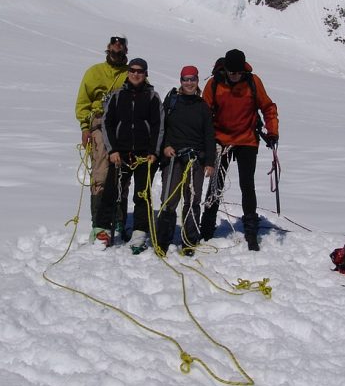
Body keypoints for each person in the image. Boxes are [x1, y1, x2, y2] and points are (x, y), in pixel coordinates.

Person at [200, 49, 278, 251]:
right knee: (215, 186)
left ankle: (251, 231)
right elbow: (203, 112)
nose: (234, 76)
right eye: (231, 72)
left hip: (247, 139)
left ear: (243, 69)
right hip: (221, 140)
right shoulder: (214, 83)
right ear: (225, 69)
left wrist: (272, 132)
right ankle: (206, 229)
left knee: (247, 184)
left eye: (238, 72)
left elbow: (268, 107)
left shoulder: (253, 82)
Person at [95, 58, 164, 248]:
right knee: (111, 192)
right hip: (120, 154)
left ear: (145, 74)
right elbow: (107, 124)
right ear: (128, 72)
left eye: (140, 71)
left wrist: (153, 151)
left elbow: (158, 126)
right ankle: (101, 230)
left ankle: (139, 232)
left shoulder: (152, 97)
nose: (136, 74)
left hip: (144, 155)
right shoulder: (117, 96)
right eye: (132, 70)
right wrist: (113, 150)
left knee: (142, 194)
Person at [155, 66, 216, 256]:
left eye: (192, 79)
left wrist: (210, 162)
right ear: (180, 81)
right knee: (169, 199)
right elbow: (161, 127)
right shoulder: (172, 102)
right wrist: (165, 147)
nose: (189, 83)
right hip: (173, 158)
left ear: (198, 81)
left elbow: (209, 136)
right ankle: (163, 241)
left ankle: (189, 240)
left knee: (192, 200)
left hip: (195, 159)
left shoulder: (202, 106)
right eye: (185, 79)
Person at [75, 35, 129, 240]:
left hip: (124, 129)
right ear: (108, 49)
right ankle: (99, 224)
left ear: (124, 50)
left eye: (120, 48)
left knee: (122, 174)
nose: (117, 51)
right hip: (99, 126)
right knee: (100, 173)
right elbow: (83, 102)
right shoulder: (94, 73)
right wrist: (84, 127)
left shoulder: (130, 73)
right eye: (114, 48)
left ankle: (119, 220)